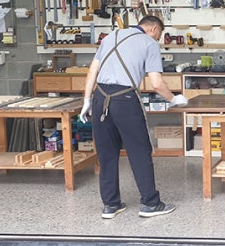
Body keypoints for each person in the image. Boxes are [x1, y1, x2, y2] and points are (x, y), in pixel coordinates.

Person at [80, 15, 188, 219]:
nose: (158, 39)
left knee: (106, 153)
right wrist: (174, 99)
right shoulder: (149, 43)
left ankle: (110, 205)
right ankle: (151, 204)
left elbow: (92, 71)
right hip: (125, 99)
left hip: (99, 98)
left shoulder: (110, 37)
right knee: (139, 151)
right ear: (154, 29)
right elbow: (156, 83)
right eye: (159, 35)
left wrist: (86, 100)